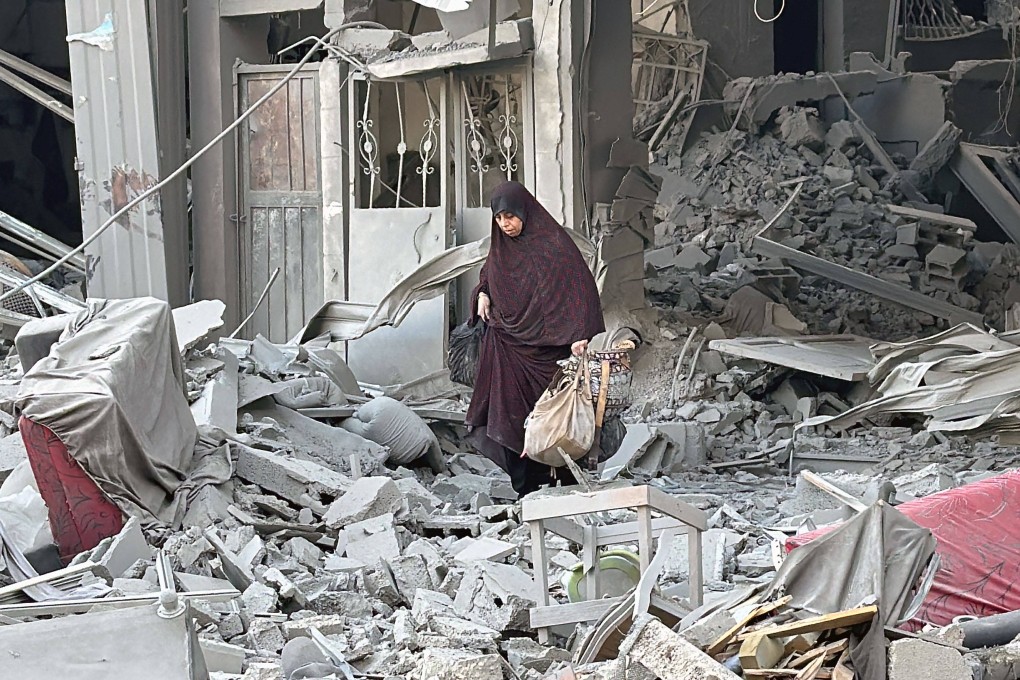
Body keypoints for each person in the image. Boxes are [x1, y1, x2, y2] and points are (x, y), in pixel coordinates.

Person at [465, 181, 605, 496]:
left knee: (555, 418)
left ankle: (564, 482)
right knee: (510, 417)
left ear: (524, 212)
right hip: (507, 347)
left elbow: (578, 286)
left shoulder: (553, 243)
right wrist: (483, 293)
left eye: (510, 217)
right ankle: (527, 488)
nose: (506, 225)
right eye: (499, 219)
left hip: (550, 351)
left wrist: (580, 333)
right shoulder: (501, 246)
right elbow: (489, 273)